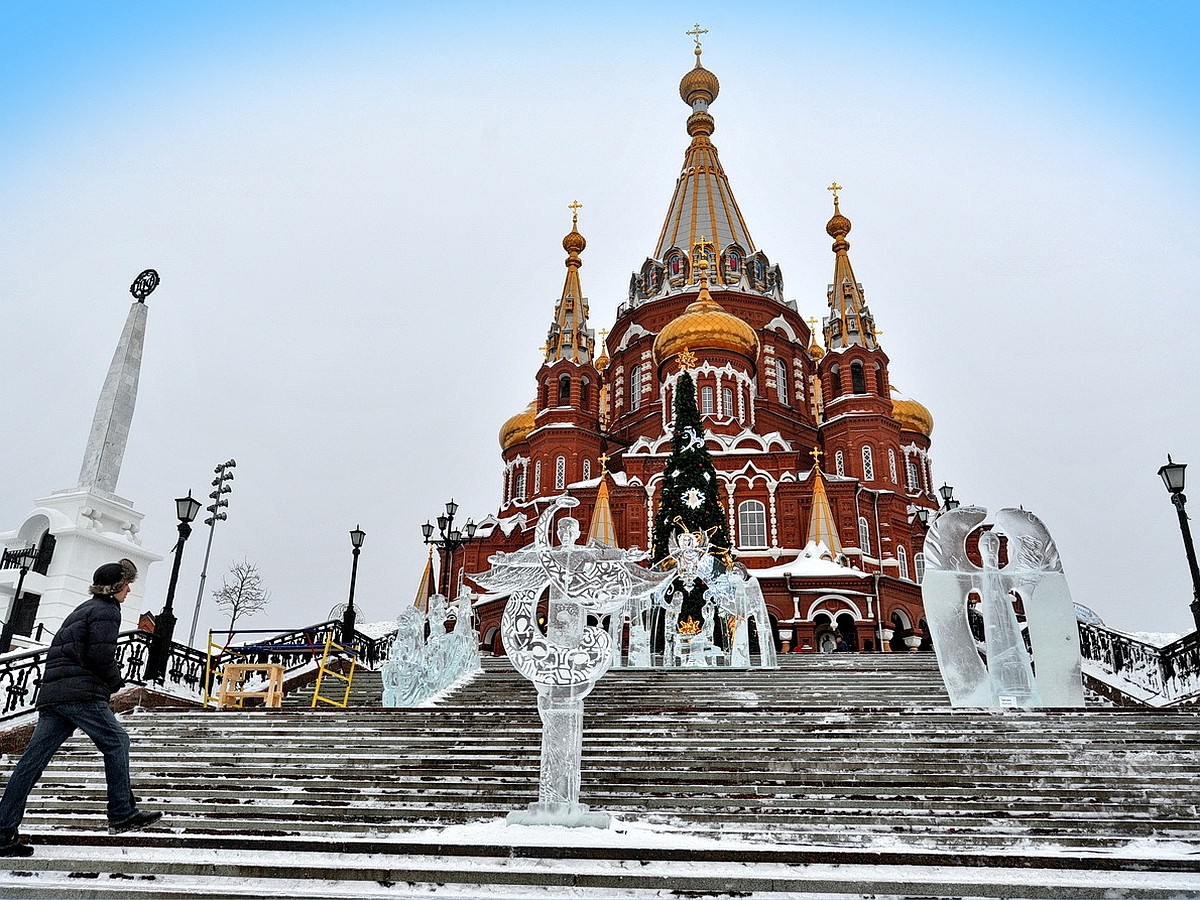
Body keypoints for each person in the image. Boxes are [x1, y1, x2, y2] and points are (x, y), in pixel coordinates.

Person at [0, 559, 162, 857]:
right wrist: (115, 682)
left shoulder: (84, 608)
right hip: (80, 694)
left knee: (32, 763)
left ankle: (2, 831)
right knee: (117, 741)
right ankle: (121, 812)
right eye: (126, 585)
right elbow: (100, 655)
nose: (128, 591)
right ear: (115, 588)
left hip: (54, 696)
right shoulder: (107, 611)